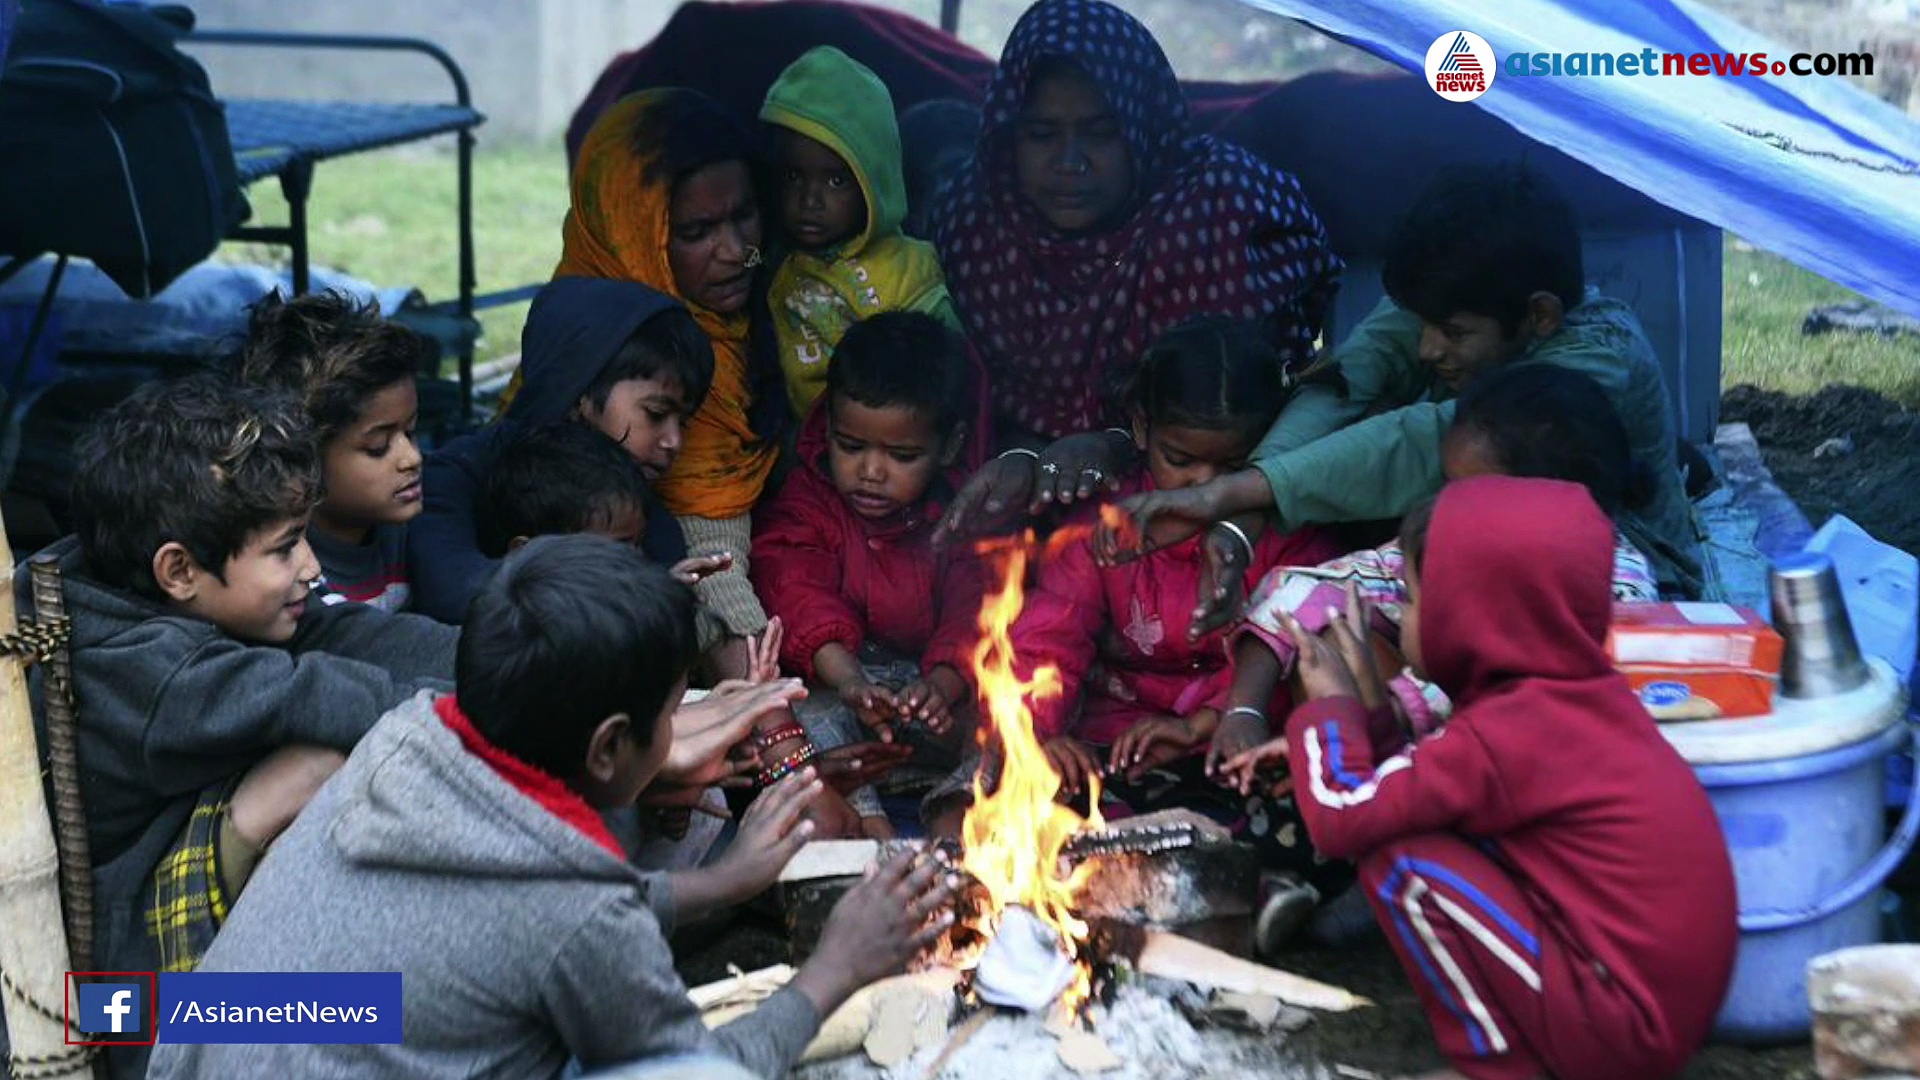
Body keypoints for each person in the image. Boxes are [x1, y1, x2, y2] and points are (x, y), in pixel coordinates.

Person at [147, 536, 957, 1080]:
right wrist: (834, 969)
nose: (680, 732)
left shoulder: (407, 737)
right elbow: (685, 1070)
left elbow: (502, 914)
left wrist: (725, 881)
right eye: (674, 712)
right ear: (608, 746)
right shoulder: (574, 917)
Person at [1223, 477, 1737, 1080]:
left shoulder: (1509, 729)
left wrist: (1330, 711)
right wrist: (1354, 730)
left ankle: (1493, 1067)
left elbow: (1344, 816)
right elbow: (1421, 782)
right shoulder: (1568, 697)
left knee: (1404, 864)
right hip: (1654, 1008)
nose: (1399, 616)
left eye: (1410, 600)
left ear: (1468, 615)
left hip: (1619, 1026)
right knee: (1417, 828)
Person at [24, 377, 457, 1077]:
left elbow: (347, 637)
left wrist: (517, 661)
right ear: (179, 569)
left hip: (137, 961)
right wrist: (511, 710)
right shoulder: (156, 678)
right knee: (386, 1011)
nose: (311, 568)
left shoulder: (137, 579)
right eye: (287, 548)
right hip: (108, 1008)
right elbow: (325, 691)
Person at [1115, 162, 1707, 604]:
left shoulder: (1600, 355)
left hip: (1625, 579)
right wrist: (1251, 498)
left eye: (1450, 332)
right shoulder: (1453, 301)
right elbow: (1350, 375)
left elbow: (1427, 441)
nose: (1427, 347)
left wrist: (1236, 495)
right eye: (1422, 324)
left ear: (1540, 317)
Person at [930, 0, 1340, 540]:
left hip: (1209, 515)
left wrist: (1117, 442)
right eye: (1042, 134)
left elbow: (1256, 406)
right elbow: (969, 395)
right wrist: (1023, 453)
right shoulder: (975, 223)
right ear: (1008, 137)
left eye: (1100, 133)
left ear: (1141, 129)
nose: (1069, 162)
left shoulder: (1220, 210)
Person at [929, 318, 1341, 834]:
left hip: (1230, 734)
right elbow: (1048, 638)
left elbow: (1298, 652)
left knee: (1288, 815)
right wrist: (1036, 734)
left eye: (1234, 467)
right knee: (1048, 813)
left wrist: (1204, 722)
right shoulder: (1107, 523)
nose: (1202, 486)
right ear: (1142, 429)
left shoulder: (1283, 530)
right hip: (1116, 738)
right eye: (1180, 460)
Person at [557, 87, 790, 672]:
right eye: (697, 232)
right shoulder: (584, 352)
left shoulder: (782, 304)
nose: (737, 252)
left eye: (744, 217)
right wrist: (774, 722)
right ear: (636, 234)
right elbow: (717, 561)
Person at [751, 312, 983, 837]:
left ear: (948, 446)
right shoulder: (809, 500)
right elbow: (795, 590)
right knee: (803, 708)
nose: (870, 472)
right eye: (851, 447)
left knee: (1017, 702)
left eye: (901, 455)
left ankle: (956, 819)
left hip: (938, 695)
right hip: (850, 685)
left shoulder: (964, 510)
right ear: (826, 427)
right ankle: (868, 825)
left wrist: (942, 686)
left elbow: (978, 609)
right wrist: (852, 681)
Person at [410, 277, 715, 625]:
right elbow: (451, 590)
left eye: (683, 423)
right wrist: (627, 592)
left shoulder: (642, 511)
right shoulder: (457, 475)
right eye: (656, 414)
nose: (674, 441)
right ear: (577, 392)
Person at [759, 45, 961, 420]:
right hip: (804, 437)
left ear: (874, 182)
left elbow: (947, 379)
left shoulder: (908, 273)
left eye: (836, 181)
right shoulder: (777, 256)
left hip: (881, 449)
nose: (809, 200)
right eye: (792, 177)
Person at [237, 290, 432, 611]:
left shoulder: (414, 527)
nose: (413, 458)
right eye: (377, 447)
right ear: (302, 456)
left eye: (410, 432)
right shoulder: (290, 583)